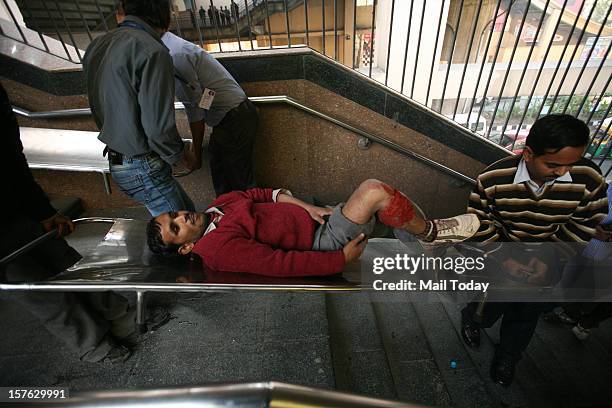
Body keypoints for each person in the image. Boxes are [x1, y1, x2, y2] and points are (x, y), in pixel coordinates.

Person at [0, 82, 145, 363]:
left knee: (69, 262)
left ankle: (119, 315)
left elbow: (12, 157)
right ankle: (94, 343)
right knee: (36, 289)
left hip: (16, 207)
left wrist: (42, 210)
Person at [460, 114, 609, 386]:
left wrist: (551, 257)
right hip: (503, 253)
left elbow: (587, 221)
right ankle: (473, 321)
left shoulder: (588, 179)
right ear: (528, 154)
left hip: (551, 257)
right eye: (553, 165)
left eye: (571, 164)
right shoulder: (493, 178)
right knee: (489, 302)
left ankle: (508, 356)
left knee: (526, 313)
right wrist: (504, 259)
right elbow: (479, 221)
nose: (563, 172)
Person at [146, 179, 481, 276]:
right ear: (186, 247)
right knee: (375, 191)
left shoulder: (217, 206)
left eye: (173, 215)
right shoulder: (218, 248)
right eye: (174, 229)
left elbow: (259, 194)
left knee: (394, 199)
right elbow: (277, 264)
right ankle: (431, 235)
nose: (180, 218)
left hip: (317, 218)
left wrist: (308, 206)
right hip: (322, 241)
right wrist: (338, 261)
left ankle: (425, 241)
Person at [84, 0, 196, 217]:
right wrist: (181, 156)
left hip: (117, 158)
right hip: (142, 164)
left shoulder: (98, 45)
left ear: (124, 12)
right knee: (186, 234)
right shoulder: (152, 51)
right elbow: (158, 129)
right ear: (166, 17)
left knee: (187, 218)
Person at [160, 30, 259, 197]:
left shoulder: (174, 55)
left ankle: (253, 219)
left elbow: (195, 108)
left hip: (235, 116)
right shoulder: (171, 46)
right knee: (223, 177)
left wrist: (196, 154)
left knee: (240, 182)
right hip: (228, 117)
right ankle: (229, 217)